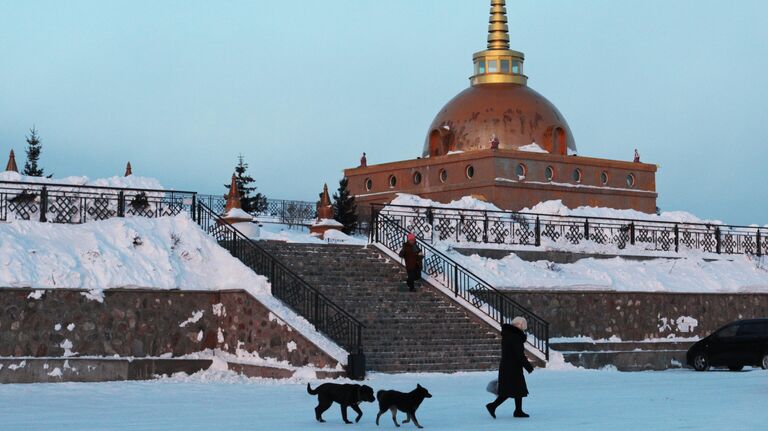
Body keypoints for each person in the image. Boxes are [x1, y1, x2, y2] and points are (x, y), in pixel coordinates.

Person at [486, 316, 534, 419]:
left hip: (508, 366)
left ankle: (518, 410)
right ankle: (492, 406)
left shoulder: (509, 335)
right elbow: (519, 354)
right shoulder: (515, 337)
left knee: (518, 389)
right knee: (509, 390)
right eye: (523, 327)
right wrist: (528, 366)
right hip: (512, 367)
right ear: (521, 326)